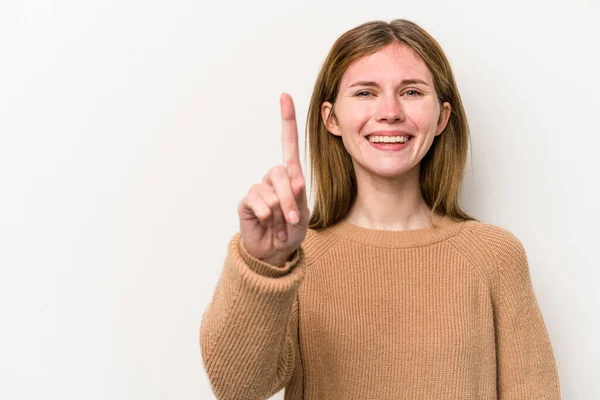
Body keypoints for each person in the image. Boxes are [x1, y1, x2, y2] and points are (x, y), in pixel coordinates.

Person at [199, 19, 561, 399]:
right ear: (331, 118)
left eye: (411, 91)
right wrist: (266, 266)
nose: (390, 111)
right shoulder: (296, 261)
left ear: (441, 117)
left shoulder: (494, 257)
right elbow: (237, 388)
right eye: (365, 93)